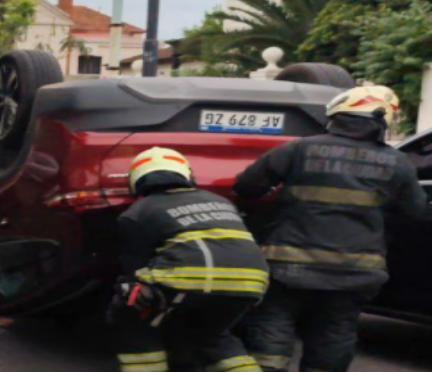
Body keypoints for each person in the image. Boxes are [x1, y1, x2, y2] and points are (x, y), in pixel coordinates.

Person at [234, 86, 429, 372]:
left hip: (287, 266)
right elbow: (416, 211)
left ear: (336, 116)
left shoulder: (299, 149)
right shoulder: (398, 162)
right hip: (355, 271)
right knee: (333, 334)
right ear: (381, 120)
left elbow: (247, 186)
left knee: (272, 328)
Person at [113, 147, 269, 372]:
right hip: (251, 282)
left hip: (190, 279)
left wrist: (134, 293)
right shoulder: (219, 200)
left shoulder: (137, 212)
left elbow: (134, 268)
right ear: (187, 175)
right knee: (211, 336)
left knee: (132, 318)